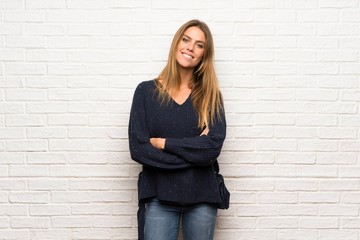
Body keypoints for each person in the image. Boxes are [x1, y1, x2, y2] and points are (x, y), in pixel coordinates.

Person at [128, 19, 227, 240]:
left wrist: (163, 143)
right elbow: (139, 149)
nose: (190, 48)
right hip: (158, 196)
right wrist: (195, 156)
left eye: (199, 45)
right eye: (186, 40)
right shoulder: (145, 92)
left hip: (202, 196)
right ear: (176, 43)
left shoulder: (211, 97)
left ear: (204, 55)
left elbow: (211, 148)